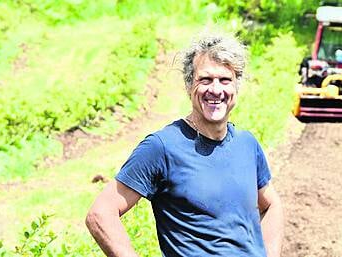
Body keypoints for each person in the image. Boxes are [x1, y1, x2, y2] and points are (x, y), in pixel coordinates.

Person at [85, 32, 283, 257]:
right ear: (189, 86)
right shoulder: (162, 147)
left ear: (236, 86)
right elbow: (101, 214)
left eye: (225, 80)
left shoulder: (247, 144)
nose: (216, 90)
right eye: (205, 79)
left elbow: (271, 205)